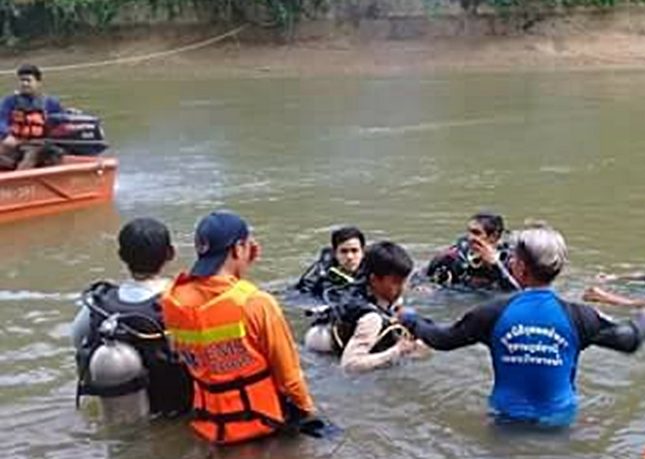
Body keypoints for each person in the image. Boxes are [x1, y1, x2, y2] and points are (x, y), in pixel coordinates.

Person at [399, 224, 645, 427]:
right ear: (558, 268)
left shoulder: (491, 313)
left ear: (520, 268)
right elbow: (629, 340)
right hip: (559, 422)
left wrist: (412, 320)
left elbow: (442, 339)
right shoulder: (580, 317)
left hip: (505, 420)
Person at [160, 211, 317, 445]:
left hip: (209, 425)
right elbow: (289, 378)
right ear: (237, 248)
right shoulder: (257, 303)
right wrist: (309, 413)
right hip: (260, 426)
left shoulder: (172, 300)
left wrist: (241, 263)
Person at [72, 218, 193, 419]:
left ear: (121, 256)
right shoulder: (183, 299)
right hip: (174, 408)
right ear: (170, 253)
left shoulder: (99, 302)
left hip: (122, 405)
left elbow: (77, 341)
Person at [304, 241, 426, 372]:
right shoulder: (371, 319)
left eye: (404, 281)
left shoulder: (366, 287)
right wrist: (397, 351)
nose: (402, 288)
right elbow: (350, 366)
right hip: (321, 354)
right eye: (396, 282)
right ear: (374, 280)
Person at [422, 212, 517, 291]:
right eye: (469, 232)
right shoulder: (452, 256)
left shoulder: (511, 262)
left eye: (476, 233)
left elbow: (518, 294)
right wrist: (426, 287)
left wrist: (494, 265)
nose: (470, 238)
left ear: (494, 236)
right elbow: (419, 277)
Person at [0, 64, 64, 171]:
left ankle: (18, 181)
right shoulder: (9, 101)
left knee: (32, 155)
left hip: (39, 144)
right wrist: (6, 135)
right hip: (15, 142)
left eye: (28, 80)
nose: (24, 84)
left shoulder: (51, 103)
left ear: (38, 82)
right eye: (22, 80)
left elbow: (60, 122)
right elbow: (1, 120)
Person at [295, 226, 366, 301]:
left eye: (354, 251)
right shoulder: (322, 270)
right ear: (335, 253)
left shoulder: (372, 269)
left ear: (363, 252)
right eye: (343, 251)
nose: (349, 257)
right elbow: (301, 293)